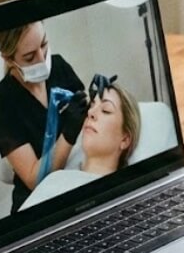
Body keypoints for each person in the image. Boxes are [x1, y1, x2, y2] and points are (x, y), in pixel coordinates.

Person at [0, 21, 87, 213]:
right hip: (37, 205)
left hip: (74, 184)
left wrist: (98, 97)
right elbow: (35, 180)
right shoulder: (2, 101)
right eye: (29, 57)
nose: (42, 60)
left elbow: (88, 111)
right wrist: (68, 134)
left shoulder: (59, 66)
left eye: (43, 45)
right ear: (9, 59)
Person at [19, 80, 142, 210]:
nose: (90, 113)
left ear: (125, 140)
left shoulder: (129, 194)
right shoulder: (55, 181)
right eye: (92, 106)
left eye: (106, 110)